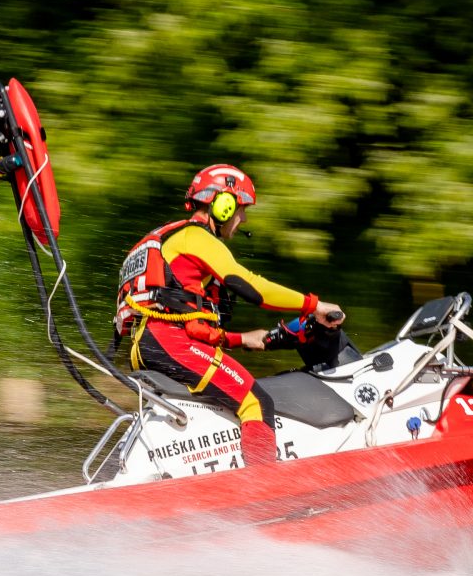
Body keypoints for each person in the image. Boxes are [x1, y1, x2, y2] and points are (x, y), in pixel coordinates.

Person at [115, 163, 345, 466]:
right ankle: (261, 492)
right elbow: (251, 287)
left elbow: (189, 322)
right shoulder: (196, 237)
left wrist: (239, 340)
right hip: (169, 342)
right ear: (223, 204)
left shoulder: (171, 240)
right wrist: (313, 305)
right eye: (241, 209)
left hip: (152, 342)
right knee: (256, 401)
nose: (243, 218)